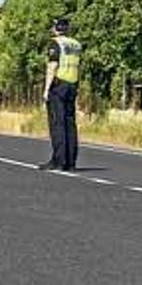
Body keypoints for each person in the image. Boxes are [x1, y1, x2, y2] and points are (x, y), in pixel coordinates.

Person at [39, 18, 81, 171]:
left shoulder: (55, 44)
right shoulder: (75, 44)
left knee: (57, 123)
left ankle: (58, 160)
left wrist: (46, 89)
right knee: (70, 123)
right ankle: (70, 161)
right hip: (72, 84)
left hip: (59, 85)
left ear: (56, 28)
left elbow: (52, 66)